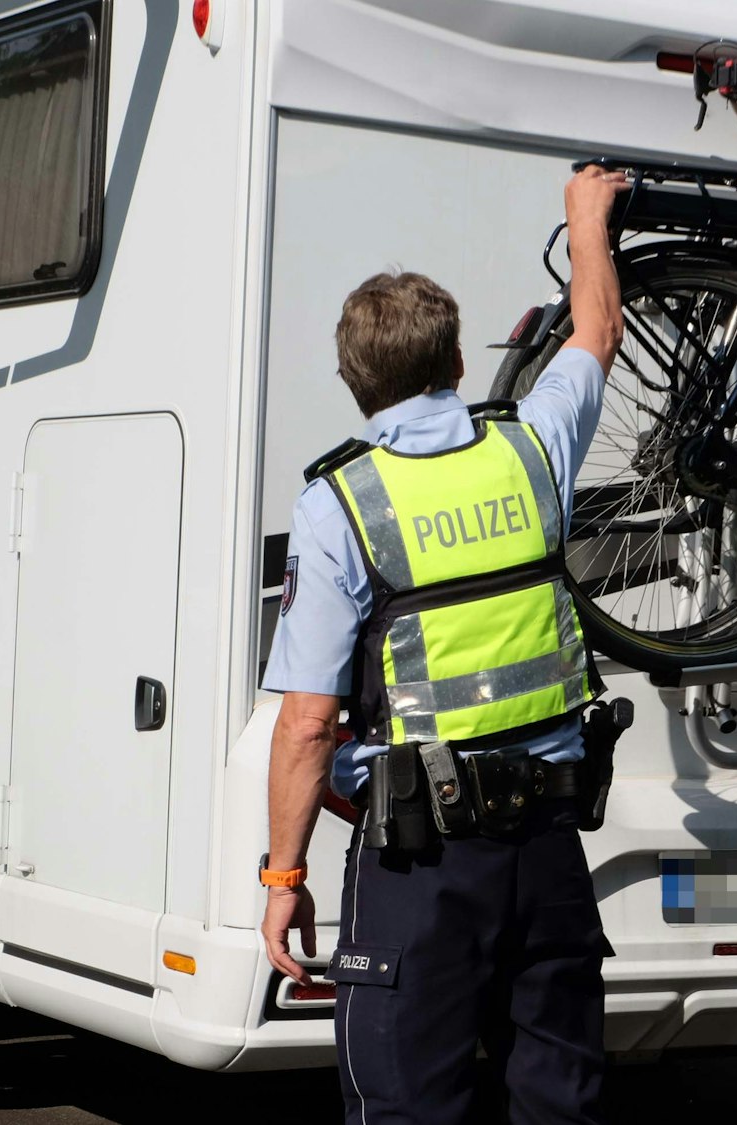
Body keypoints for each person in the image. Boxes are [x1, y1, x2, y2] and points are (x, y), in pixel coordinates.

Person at [258, 165, 628, 1125]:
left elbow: (306, 723)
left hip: (422, 870)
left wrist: (284, 878)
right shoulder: (532, 446)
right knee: (560, 1107)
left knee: (412, 1108)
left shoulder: (341, 504)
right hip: (547, 856)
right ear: (460, 360)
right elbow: (597, 333)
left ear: (354, 384)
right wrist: (587, 219)